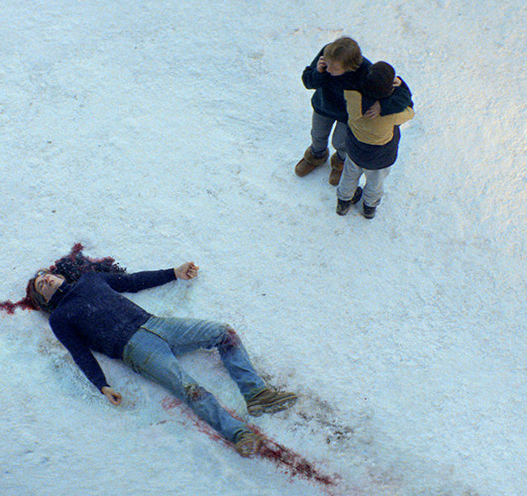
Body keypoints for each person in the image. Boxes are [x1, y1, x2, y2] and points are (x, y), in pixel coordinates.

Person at [25, 256, 298, 458]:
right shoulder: (60, 318)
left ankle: (257, 394)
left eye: (45, 276)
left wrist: (174, 272)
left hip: (158, 325)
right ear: (44, 300)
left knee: (223, 332)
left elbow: (132, 282)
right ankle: (239, 434)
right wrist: (102, 385)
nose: (46, 280)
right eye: (41, 285)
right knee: (190, 390)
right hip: (136, 351)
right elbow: (80, 354)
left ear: (57, 275)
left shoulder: (91, 279)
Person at [297, 36, 414, 185]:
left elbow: (398, 96)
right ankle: (316, 156)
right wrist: (318, 72)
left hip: (348, 116)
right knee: (318, 134)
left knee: (340, 142)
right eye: (328, 65)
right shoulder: (328, 55)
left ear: (350, 67)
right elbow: (308, 82)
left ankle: (340, 163)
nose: (329, 70)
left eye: (335, 68)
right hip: (323, 105)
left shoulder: (366, 71)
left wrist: (382, 105)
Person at [336, 61, 415, 219]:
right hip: (380, 157)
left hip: (355, 150)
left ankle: (343, 202)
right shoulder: (391, 114)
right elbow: (410, 110)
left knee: (349, 175)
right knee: (375, 182)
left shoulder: (352, 98)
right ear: (389, 89)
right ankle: (369, 207)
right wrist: (400, 88)